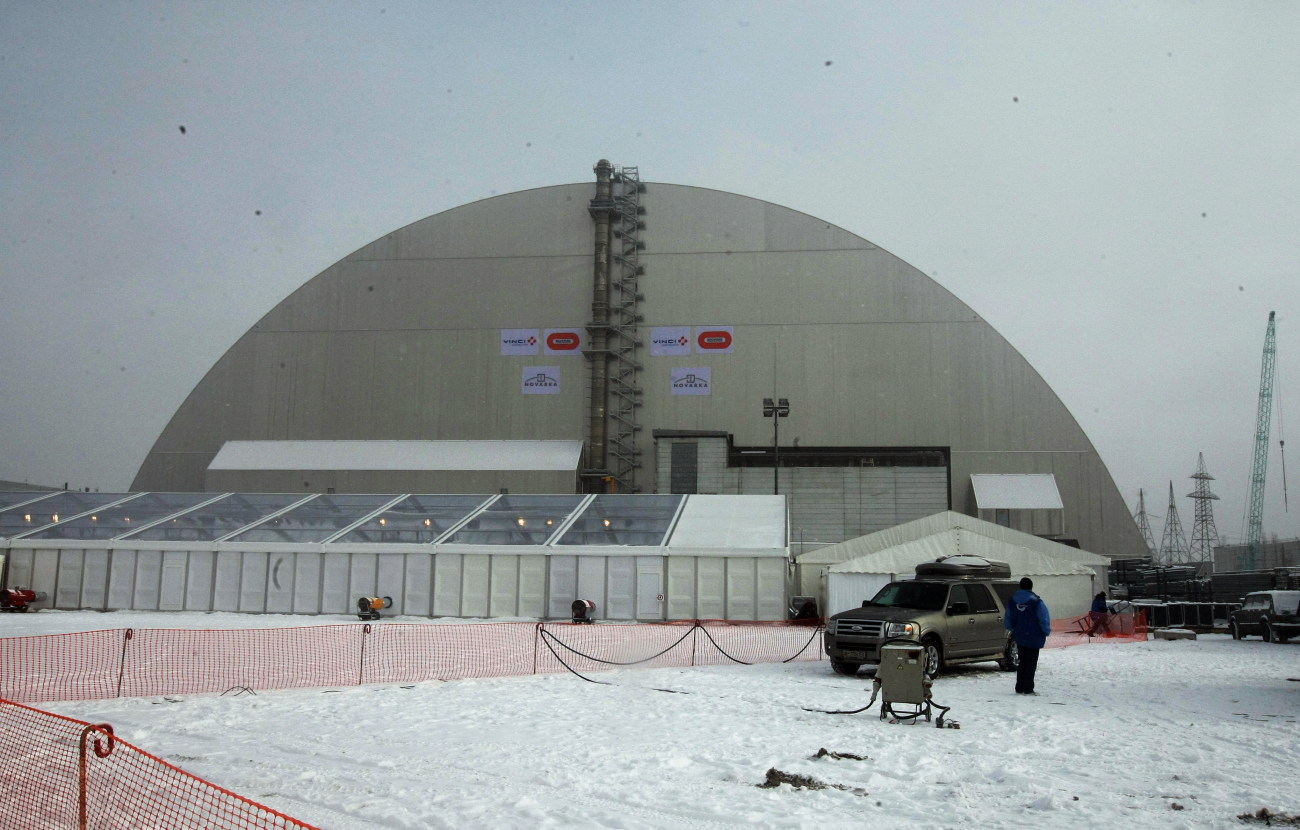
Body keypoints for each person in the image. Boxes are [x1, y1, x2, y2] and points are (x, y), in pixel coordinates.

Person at [1004, 577, 1051, 695]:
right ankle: (1028, 688)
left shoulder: (1012, 601)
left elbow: (1008, 618)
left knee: (1022, 662)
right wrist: (1046, 631)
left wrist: (1014, 629)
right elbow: (1043, 618)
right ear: (1031, 587)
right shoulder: (1036, 602)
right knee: (1031, 663)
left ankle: (1019, 687)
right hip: (1034, 636)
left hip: (1020, 636)